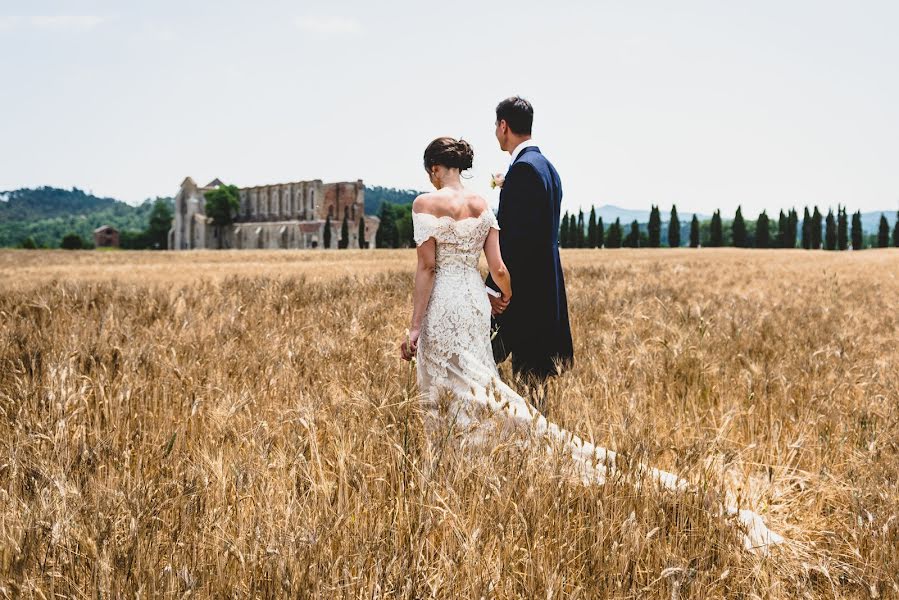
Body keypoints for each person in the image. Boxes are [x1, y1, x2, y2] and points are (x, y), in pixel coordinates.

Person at [399, 133, 784, 554]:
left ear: (435, 168)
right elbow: (500, 267)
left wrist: (415, 327)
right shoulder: (480, 204)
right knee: (483, 383)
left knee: (445, 390)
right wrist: (500, 295)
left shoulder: (425, 203)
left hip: (444, 309)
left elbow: (427, 267)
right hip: (473, 305)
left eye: (431, 173)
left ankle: (449, 472)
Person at [487, 96, 573, 393]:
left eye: (495, 125)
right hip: (547, 290)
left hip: (524, 297)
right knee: (535, 388)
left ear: (503, 125)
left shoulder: (523, 170)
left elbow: (515, 240)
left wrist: (493, 288)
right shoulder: (548, 168)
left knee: (523, 383)